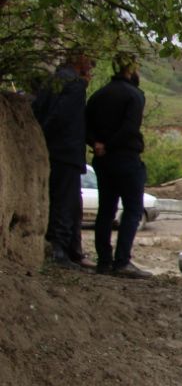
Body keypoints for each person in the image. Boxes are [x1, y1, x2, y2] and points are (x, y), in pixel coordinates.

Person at [84, 53, 152, 278]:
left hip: (103, 160)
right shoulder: (134, 95)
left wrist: (97, 144)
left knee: (106, 210)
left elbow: (84, 124)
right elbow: (130, 128)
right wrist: (110, 145)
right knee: (132, 209)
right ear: (131, 69)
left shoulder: (99, 95)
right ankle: (122, 261)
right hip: (125, 158)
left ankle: (104, 261)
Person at [31, 49, 95, 270]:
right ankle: (59, 251)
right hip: (65, 151)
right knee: (65, 202)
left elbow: (39, 111)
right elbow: (62, 117)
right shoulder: (74, 85)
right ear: (79, 59)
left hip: (53, 150)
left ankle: (68, 250)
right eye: (89, 59)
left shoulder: (54, 81)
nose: (92, 65)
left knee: (63, 200)